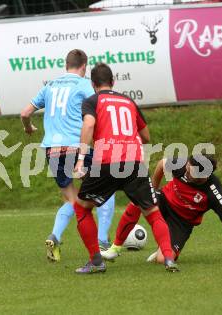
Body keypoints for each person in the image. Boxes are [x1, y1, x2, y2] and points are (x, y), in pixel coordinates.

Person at [72, 62, 178, 274]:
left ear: (93, 84)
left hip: (106, 160)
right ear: (113, 82)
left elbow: (89, 125)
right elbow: (146, 136)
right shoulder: (128, 101)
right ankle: (168, 258)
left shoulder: (92, 101)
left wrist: (81, 159)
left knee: (82, 208)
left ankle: (96, 261)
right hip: (134, 161)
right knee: (153, 213)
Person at [20, 49, 115, 262]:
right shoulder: (84, 85)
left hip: (52, 150)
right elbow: (96, 115)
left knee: (73, 200)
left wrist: (28, 128)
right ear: (83, 67)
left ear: (66, 65)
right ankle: (101, 241)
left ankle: (55, 236)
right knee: (106, 187)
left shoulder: (50, 86)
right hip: (76, 146)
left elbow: (24, 113)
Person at [102, 154, 222, 264]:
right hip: (164, 200)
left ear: (203, 177)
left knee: (162, 260)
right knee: (139, 198)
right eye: (187, 167)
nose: (186, 172)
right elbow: (161, 164)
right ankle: (115, 248)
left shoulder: (213, 191)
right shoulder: (183, 165)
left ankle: (165, 248)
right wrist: (152, 188)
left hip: (182, 222)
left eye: (190, 174)